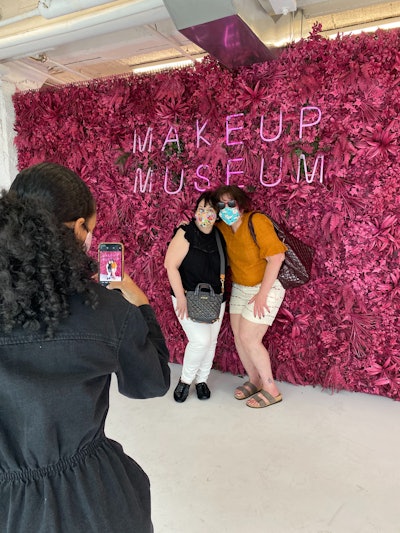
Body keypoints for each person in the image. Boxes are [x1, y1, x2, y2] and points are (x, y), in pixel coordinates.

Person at [0, 162, 170, 532]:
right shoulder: (106, 310)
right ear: (77, 229)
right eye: (90, 228)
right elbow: (151, 382)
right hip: (92, 498)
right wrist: (137, 302)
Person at [213, 185, 287, 409]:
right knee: (238, 336)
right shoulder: (223, 228)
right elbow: (202, 228)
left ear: (241, 204)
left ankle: (271, 389)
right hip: (240, 287)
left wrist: (263, 294)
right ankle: (254, 380)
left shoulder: (257, 221)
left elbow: (277, 258)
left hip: (266, 286)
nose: (226, 209)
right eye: (221, 205)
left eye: (231, 204)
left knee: (249, 338)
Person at [164, 192, 227, 403]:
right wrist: (180, 297)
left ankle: (202, 380)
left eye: (210, 210)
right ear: (195, 212)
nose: (205, 214)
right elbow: (170, 265)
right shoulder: (185, 232)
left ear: (217, 215)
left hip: (215, 300)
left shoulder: (219, 237)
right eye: (201, 209)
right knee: (200, 340)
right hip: (187, 297)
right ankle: (185, 380)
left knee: (211, 342)